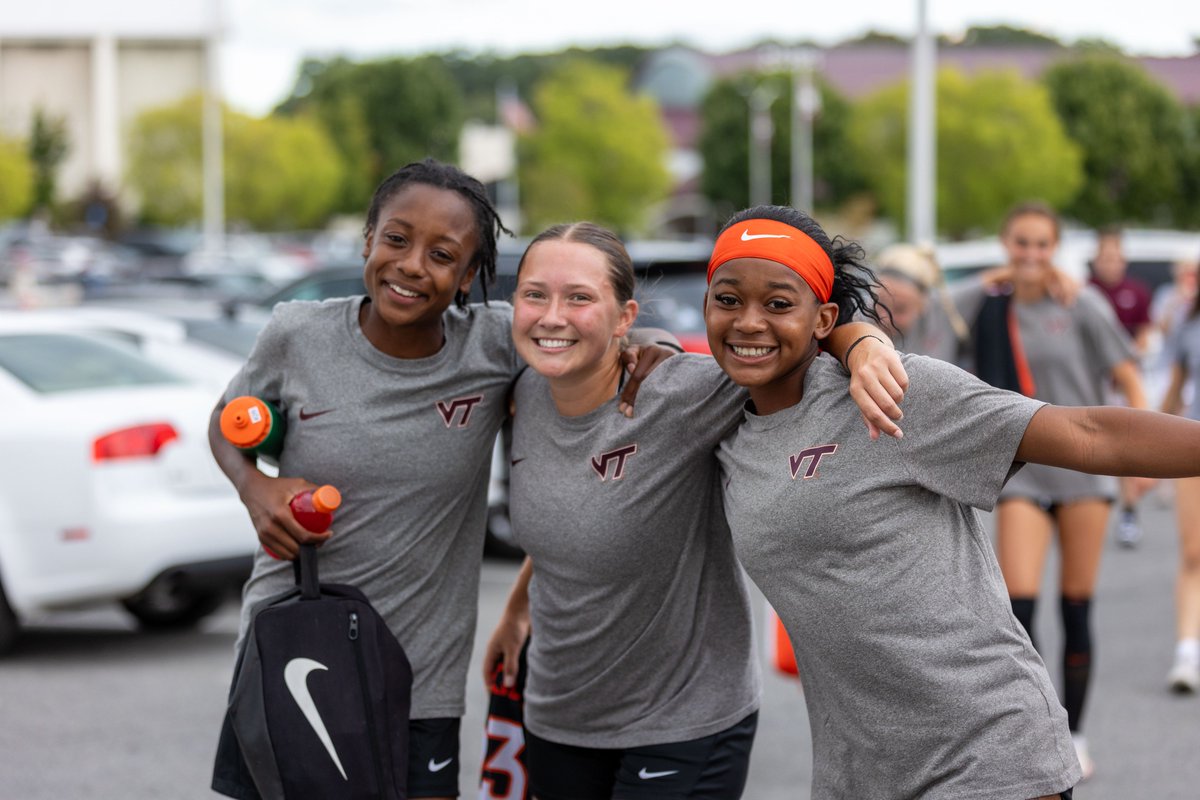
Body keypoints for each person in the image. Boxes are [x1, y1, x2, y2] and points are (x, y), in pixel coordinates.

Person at [208, 159, 676, 800]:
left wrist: (654, 343)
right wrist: (254, 489)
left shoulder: (492, 346)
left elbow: (581, 337)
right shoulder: (296, 332)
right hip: (292, 649)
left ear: (467, 277)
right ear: (368, 238)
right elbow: (224, 419)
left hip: (418, 677)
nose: (410, 265)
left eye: (442, 254)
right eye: (397, 239)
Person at [706, 204, 1200, 800]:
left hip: (988, 757)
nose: (748, 322)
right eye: (727, 299)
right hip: (858, 776)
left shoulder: (891, 393)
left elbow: (1090, 434)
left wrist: (860, 342)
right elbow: (625, 356)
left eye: (780, 303)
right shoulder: (716, 418)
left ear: (823, 317)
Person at [483, 222, 908, 799]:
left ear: (625, 316)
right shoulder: (524, 392)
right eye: (536, 294)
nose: (553, 316)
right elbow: (577, 522)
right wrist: (516, 610)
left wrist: (863, 341)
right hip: (559, 713)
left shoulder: (682, 392)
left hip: (685, 720)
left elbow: (792, 343)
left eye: (579, 297)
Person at [1087, 226, 1156, 546]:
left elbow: (1145, 332)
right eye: (1105, 257)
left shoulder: (1137, 291)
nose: (1111, 263)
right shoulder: (1085, 292)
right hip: (1093, 381)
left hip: (1124, 379)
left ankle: (1128, 511)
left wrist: (1131, 357)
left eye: (1116, 257)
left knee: (1127, 443)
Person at [1158, 280, 1200, 693]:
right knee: (1193, 552)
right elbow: (1173, 390)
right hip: (1195, 448)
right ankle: (1187, 652)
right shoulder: (1188, 324)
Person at [874, 242, 969, 364]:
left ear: (923, 303)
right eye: (879, 303)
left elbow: (988, 280)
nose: (884, 317)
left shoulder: (944, 308)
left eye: (900, 309)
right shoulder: (858, 320)